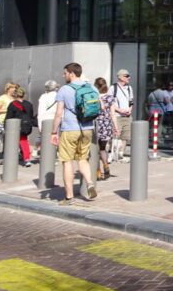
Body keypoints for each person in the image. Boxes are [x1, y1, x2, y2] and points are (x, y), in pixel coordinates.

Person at [52, 63, 98, 206]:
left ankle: (69, 197)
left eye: (65, 73)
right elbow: (99, 107)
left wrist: (54, 131)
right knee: (83, 159)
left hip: (70, 129)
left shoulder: (64, 89)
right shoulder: (91, 87)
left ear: (71, 73)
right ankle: (90, 183)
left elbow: (59, 113)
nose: (63, 75)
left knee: (67, 162)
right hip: (87, 128)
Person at [92, 77, 119, 179]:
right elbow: (113, 114)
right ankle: (106, 166)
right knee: (103, 148)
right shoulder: (110, 98)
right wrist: (116, 127)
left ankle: (98, 172)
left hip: (95, 124)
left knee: (95, 150)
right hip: (106, 125)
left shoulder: (94, 97)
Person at [5, 87, 38, 167]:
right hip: (26, 126)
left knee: (12, 143)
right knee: (24, 142)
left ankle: (11, 159)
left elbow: (8, 117)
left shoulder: (12, 104)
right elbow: (30, 116)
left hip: (14, 127)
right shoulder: (29, 104)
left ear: (15, 94)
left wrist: (5, 126)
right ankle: (26, 159)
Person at [109, 69, 134, 161]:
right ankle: (113, 153)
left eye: (128, 76)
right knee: (116, 135)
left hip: (127, 116)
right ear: (120, 77)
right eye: (126, 76)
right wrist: (120, 110)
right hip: (117, 116)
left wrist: (129, 110)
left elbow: (131, 101)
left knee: (125, 136)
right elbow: (109, 102)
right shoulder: (113, 88)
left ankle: (121, 153)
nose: (129, 78)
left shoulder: (129, 88)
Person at [0, 82, 18, 161]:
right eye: (12, 88)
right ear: (8, 89)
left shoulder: (14, 98)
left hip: (10, 120)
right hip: (1, 119)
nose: (14, 89)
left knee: (8, 137)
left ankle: (5, 153)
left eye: (15, 88)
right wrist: (8, 110)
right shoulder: (2, 97)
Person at [34, 80, 59, 163]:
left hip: (45, 120)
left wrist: (40, 124)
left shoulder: (43, 97)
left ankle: (46, 158)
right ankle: (54, 157)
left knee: (45, 140)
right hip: (57, 119)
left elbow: (40, 111)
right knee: (55, 138)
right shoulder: (59, 96)